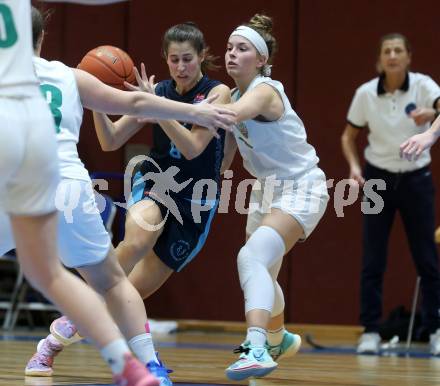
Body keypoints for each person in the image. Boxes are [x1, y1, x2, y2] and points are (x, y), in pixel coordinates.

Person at [11, 7, 231, 385]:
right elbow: (110, 139)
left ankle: (52, 342)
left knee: (121, 294)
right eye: (174, 59)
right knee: (136, 241)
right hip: (158, 181)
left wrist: (156, 109)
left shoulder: (216, 92)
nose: (180, 67)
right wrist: (97, 97)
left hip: (197, 199)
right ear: (166, 59)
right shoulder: (156, 92)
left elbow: (195, 148)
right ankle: (147, 367)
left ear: (201, 57)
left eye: (187, 60)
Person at [0, 1, 159, 385]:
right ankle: (144, 367)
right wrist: (196, 113)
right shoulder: (68, 75)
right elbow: (134, 103)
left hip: (13, 185)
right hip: (68, 185)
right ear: (41, 38)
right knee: (109, 281)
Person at [221, 14, 329, 381]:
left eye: (243, 49)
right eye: (230, 48)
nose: (232, 54)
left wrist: (164, 107)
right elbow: (223, 157)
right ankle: (278, 337)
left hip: (300, 185)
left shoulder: (264, 91)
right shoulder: (234, 94)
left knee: (250, 257)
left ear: (262, 59)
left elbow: (231, 114)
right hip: (264, 189)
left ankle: (256, 347)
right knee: (260, 269)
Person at [341, 32, 440, 355]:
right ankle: (370, 330)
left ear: (409, 56)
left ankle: (435, 329)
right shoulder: (366, 94)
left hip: (416, 179)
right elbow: (348, 136)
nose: (393, 55)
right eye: (387, 50)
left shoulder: (425, 86)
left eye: (399, 50)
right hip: (377, 179)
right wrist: (355, 167)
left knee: (427, 257)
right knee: (373, 257)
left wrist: (430, 129)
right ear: (379, 60)